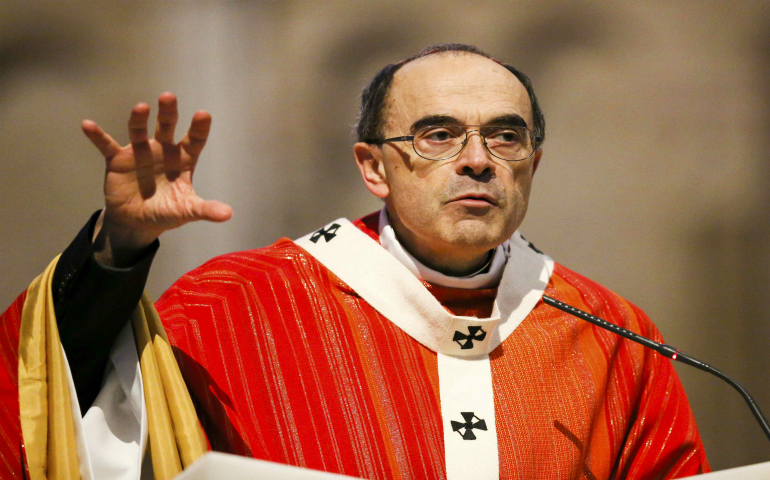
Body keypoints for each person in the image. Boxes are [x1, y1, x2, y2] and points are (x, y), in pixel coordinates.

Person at [0, 44, 709, 479]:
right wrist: (117, 249)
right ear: (373, 168)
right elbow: (59, 406)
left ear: (534, 163)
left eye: (506, 137)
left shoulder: (612, 335)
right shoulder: (236, 304)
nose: (476, 161)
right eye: (437, 135)